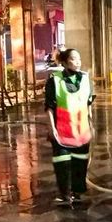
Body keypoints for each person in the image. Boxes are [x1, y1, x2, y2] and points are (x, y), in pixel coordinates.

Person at [45, 48, 94, 207]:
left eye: (79, 58)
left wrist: (91, 123)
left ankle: (78, 193)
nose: (78, 62)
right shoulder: (55, 80)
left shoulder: (85, 79)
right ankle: (65, 195)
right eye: (73, 59)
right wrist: (51, 128)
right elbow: (49, 107)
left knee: (80, 164)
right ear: (65, 63)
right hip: (62, 132)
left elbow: (88, 103)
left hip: (81, 132)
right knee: (63, 164)